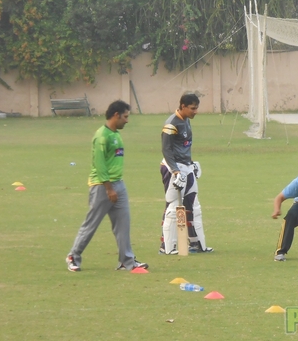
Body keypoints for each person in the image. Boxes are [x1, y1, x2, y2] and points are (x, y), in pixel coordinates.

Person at [66, 100, 148, 272]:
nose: (127, 120)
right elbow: (100, 165)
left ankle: (127, 261)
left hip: (119, 185)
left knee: (123, 224)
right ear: (116, 115)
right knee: (91, 224)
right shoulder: (101, 136)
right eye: (125, 117)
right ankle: (74, 256)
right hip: (102, 187)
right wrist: (109, 188)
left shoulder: (116, 134)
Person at [159, 93, 213, 254]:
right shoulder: (171, 124)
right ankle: (166, 247)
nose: (195, 111)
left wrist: (192, 164)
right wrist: (175, 171)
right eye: (192, 108)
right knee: (173, 206)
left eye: (196, 108)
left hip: (186, 168)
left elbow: (183, 147)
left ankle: (196, 244)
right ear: (182, 106)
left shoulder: (186, 120)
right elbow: (166, 150)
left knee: (194, 206)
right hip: (173, 168)